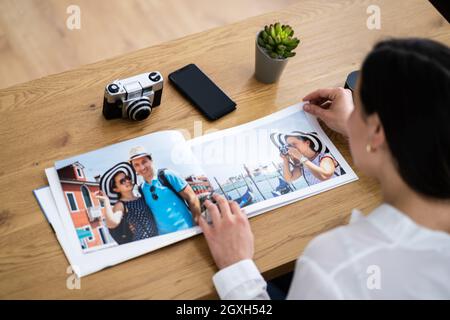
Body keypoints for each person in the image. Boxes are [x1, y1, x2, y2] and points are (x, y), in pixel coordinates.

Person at [198, 38, 450, 299]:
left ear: (377, 132)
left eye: (356, 110)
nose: (349, 114)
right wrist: (358, 132)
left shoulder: (336, 264)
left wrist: (237, 267)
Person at [129, 146, 201, 235]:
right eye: (136, 165)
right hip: (165, 239)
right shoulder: (141, 189)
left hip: (188, 231)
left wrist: (197, 223)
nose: (142, 167)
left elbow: (192, 197)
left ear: (151, 160)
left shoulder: (167, 175)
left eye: (144, 162)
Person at [96, 162, 158, 244]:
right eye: (122, 181)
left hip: (158, 237)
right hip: (142, 244)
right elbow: (112, 223)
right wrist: (106, 201)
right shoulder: (121, 204)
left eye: (127, 178)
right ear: (116, 189)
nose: (127, 181)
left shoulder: (141, 196)